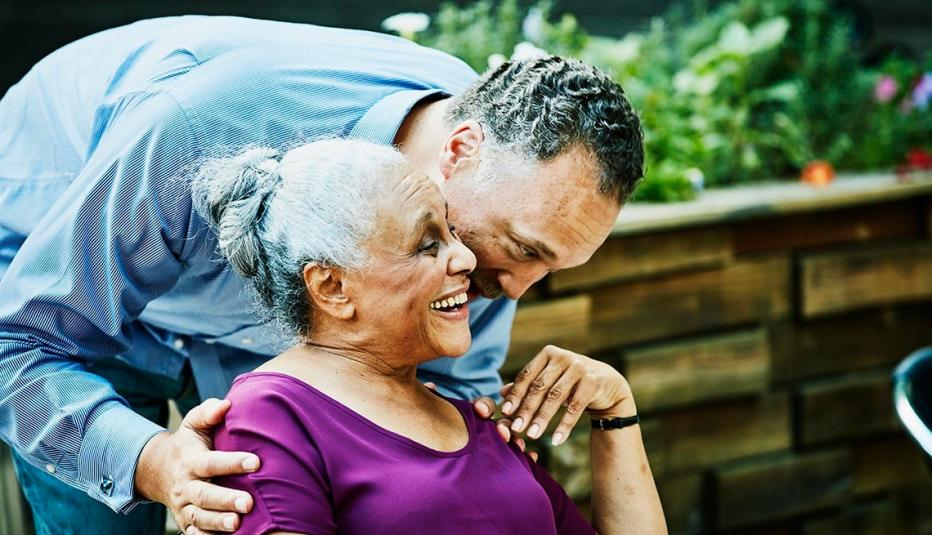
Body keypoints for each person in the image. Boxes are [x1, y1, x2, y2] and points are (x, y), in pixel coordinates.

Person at [0, 15, 644, 534]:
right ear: (458, 152)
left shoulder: (492, 193)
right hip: (64, 281)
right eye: (520, 249)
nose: (516, 288)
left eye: (550, 266)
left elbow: (435, 393)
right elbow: (15, 348)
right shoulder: (198, 129)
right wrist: (153, 459)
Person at [200, 138, 665, 535]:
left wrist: (615, 411)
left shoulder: (470, 416)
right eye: (427, 244)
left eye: (453, 231)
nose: (464, 258)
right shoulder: (268, 417)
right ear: (332, 288)